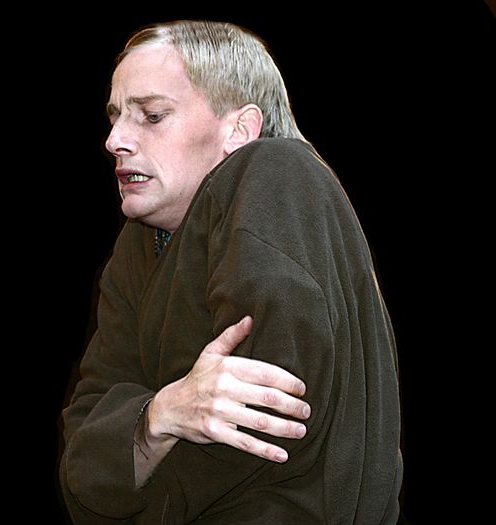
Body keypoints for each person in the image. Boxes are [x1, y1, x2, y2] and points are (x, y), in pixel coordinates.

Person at [59, 20, 403, 524]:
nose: (114, 140)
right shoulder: (137, 248)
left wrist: (134, 465)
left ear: (238, 131)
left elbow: (265, 419)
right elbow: (81, 461)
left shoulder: (277, 171)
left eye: (152, 115)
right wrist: (161, 414)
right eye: (115, 118)